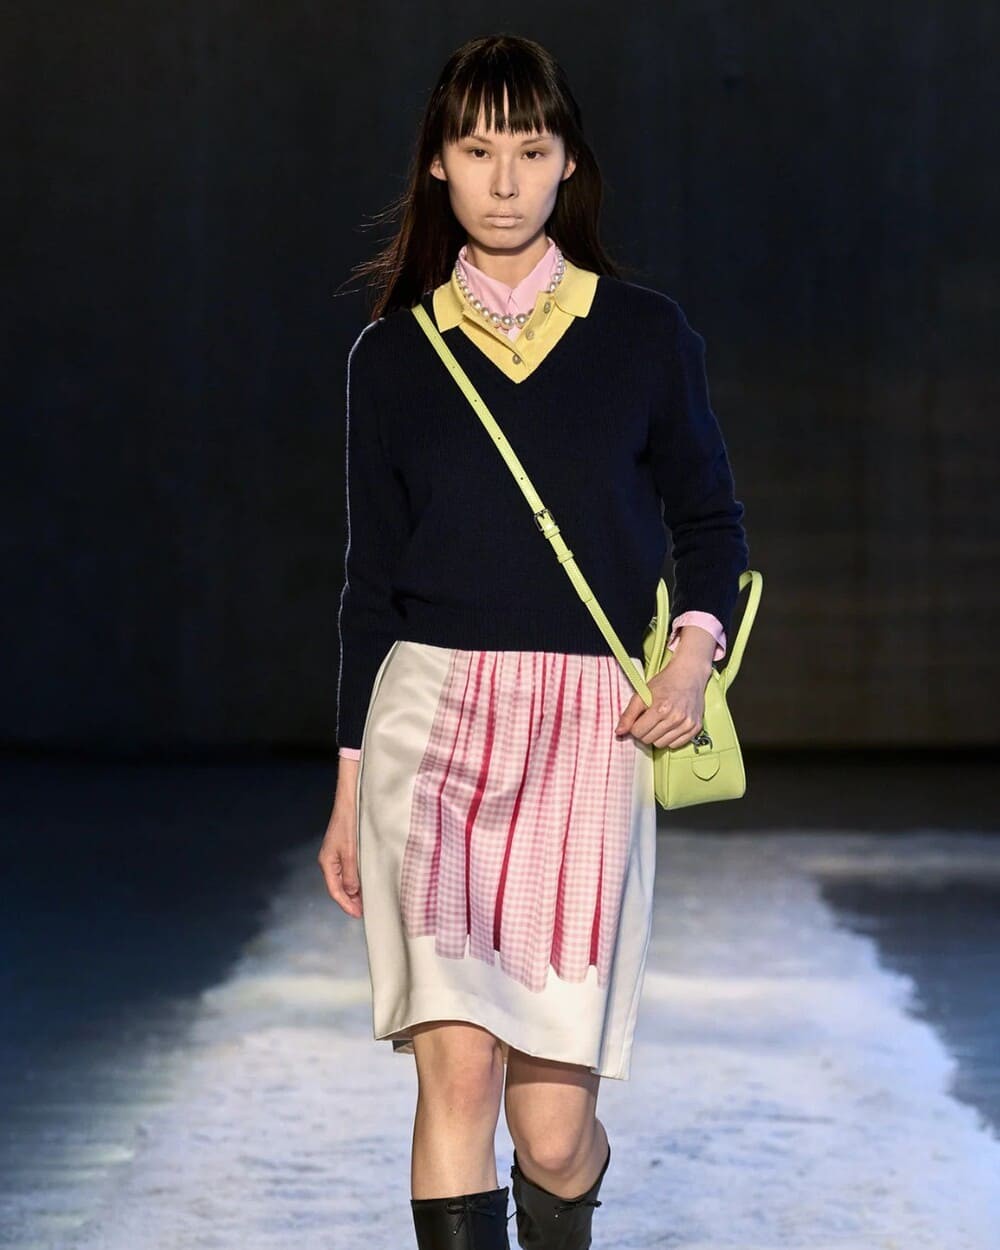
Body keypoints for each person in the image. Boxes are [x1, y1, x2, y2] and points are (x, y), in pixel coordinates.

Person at [317, 33, 749, 1250]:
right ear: (437, 166)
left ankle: (572, 1185)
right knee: (454, 1077)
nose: (503, 179)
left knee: (551, 1131)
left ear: (568, 164)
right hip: (431, 724)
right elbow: (369, 583)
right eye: (476, 149)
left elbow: (710, 521)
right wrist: (348, 779)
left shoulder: (644, 335)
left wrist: (689, 655)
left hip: (584, 733)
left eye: (529, 148)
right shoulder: (393, 357)